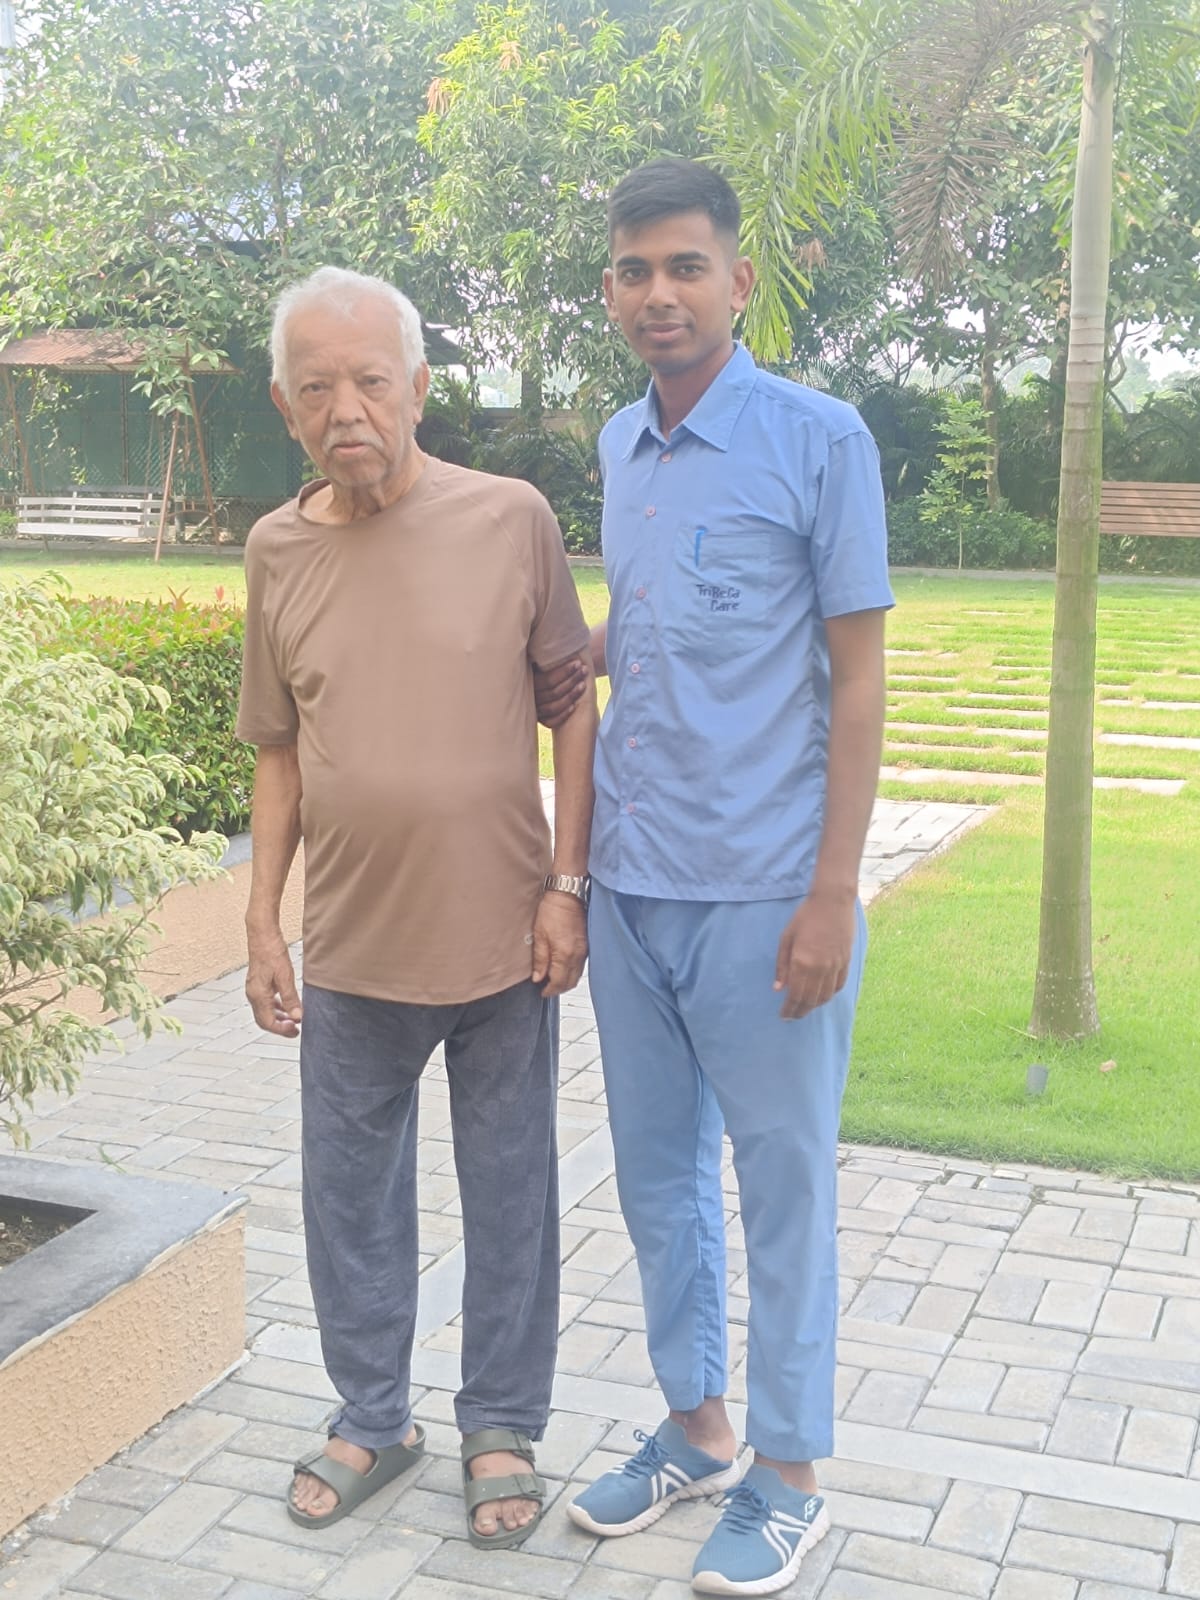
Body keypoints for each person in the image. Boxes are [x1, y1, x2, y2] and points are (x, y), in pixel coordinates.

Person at [539, 159, 893, 1595]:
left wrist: (833, 891)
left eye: (685, 266)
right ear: (611, 291)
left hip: (765, 888)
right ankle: (695, 1425)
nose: (657, 294)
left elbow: (859, 682)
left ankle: (790, 1471)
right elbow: (660, 623)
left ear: (741, 281)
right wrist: (576, 652)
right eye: (632, 271)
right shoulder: (622, 444)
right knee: (657, 1182)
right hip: (630, 880)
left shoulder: (821, 439)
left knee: (782, 1183)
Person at [236, 266, 597, 1550]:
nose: (350, 408)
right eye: (319, 386)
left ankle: (502, 1418)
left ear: (419, 388)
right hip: (348, 952)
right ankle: (374, 1414)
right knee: (350, 1201)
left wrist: (569, 886)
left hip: (506, 942)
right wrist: (261, 917)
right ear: (286, 405)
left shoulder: (511, 518)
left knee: (510, 1196)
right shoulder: (276, 551)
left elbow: (569, 704)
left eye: (372, 380)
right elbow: (276, 746)